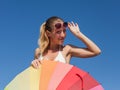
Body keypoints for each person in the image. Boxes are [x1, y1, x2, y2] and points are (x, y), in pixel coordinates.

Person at [31, 16, 101, 69]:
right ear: (48, 33)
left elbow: (96, 51)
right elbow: (35, 77)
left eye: (64, 31)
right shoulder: (38, 52)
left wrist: (78, 34)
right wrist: (33, 64)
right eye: (58, 32)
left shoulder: (67, 50)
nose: (63, 35)